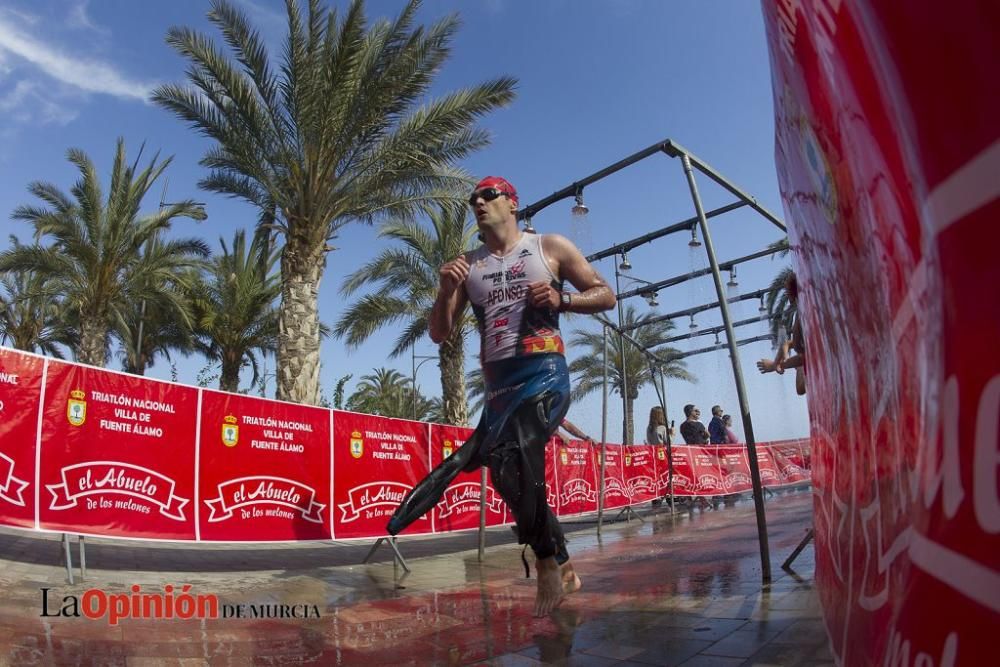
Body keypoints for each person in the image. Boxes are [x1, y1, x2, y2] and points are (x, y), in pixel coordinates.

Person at [386, 176, 616, 617]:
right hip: (497, 389)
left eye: (488, 195)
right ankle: (565, 561)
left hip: (545, 373)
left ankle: (547, 562)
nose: (478, 202)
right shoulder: (466, 266)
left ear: (513, 203)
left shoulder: (549, 246)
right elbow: (439, 333)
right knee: (504, 473)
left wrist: (561, 299)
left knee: (521, 451)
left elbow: (606, 295)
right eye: (473, 198)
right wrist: (445, 290)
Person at [757, 271, 806, 395]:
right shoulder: (802, 314)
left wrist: (775, 365)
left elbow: (804, 357)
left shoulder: (803, 316)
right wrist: (779, 361)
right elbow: (788, 344)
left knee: (800, 387)